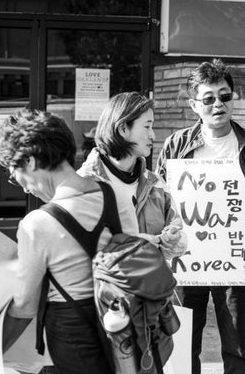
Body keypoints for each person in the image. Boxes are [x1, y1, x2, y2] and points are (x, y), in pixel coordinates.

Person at [0, 109, 144, 374]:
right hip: (125, 343)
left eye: (16, 173)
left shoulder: (37, 224)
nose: (21, 183)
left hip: (73, 354)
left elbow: (25, 306)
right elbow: (134, 263)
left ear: (31, 160)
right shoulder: (114, 196)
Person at [156, 59, 245, 374]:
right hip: (185, 266)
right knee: (183, 346)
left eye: (224, 96)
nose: (218, 104)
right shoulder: (175, 145)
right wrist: (164, 245)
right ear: (193, 103)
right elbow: (159, 200)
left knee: (237, 349)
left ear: (233, 96)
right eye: (208, 99)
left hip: (235, 266)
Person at [78, 92, 187, 260]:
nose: (153, 135)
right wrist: (141, 243)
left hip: (151, 284)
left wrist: (172, 239)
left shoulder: (155, 183)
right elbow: (77, 247)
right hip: (104, 285)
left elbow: (179, 238)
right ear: (123, 129)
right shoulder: (84, 183)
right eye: (147, 126)